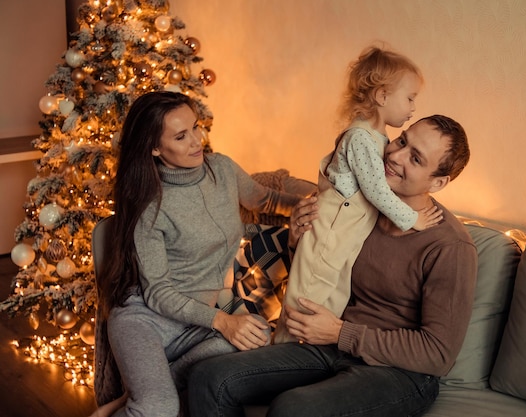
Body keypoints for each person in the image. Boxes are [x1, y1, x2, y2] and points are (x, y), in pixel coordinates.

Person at [188, 114, 478, 417]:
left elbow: (438, 354)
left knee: (294, 409)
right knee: (210, 378)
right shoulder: (361, 206)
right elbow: (323, 273)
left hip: (399, 372)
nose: (395, 155)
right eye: (402, 140)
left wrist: (341, 333)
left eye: (416, 158)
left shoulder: (450, 246)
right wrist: (298, 241)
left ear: (439, 182)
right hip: (330, 347)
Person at [90, 91, 301, 417]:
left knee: (255, 331)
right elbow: (158, 294)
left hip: (197, 322)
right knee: (160, 408)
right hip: (146, 320)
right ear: (155, 148)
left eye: (196, 127)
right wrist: (223, 321)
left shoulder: (222, 170)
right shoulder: (150, 206)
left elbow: (266, 201)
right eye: (181, 135)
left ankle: (138, 395)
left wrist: (308, 207)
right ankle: (148, 397)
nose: (196, 141)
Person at [274, 46, 442, 343]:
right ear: (382, 96)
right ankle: (281, 347)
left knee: (333, 298)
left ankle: (304, 352)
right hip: (331, 229)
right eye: (410, 98)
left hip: (348, 235)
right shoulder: (360, 138)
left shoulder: (381, 139)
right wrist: (411, 219)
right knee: (308, 296)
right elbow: (377, 191)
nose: (413, 108)